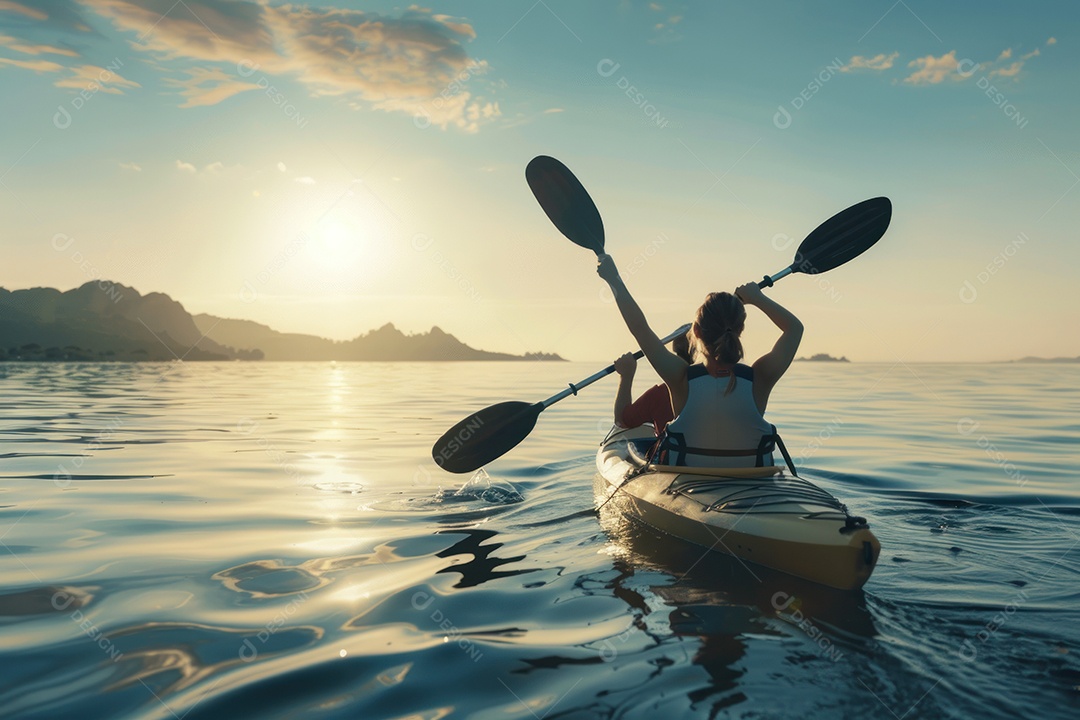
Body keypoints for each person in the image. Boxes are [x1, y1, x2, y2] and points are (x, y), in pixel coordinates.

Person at [596, 253, 803, 468]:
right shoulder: (761, 376)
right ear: (741, 329)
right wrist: (757, 298)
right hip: (751, 482)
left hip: (688, 484)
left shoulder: (679, 377)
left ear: (696, 331)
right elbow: (795, 329)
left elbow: (640, 329)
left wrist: (614, 279)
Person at [612, 331, 693, 435]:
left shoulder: (659, 395)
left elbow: (621, 421)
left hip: (676, 451)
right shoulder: (719, 387)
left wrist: (626, 375)